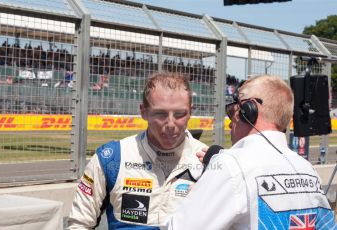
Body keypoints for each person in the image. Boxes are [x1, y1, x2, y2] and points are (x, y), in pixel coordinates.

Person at [167, 75, 337, 229]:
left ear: (249, 110)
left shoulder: (231, 164)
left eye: (232, 112)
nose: (230, 123)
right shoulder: (307, 169)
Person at [67, 72, 208, 229]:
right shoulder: (111, 158)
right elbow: (79, 224)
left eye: (179, 114)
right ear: (143, 112)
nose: (170, 123)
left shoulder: (210, 162)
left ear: (190, 112)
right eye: (160, 114)